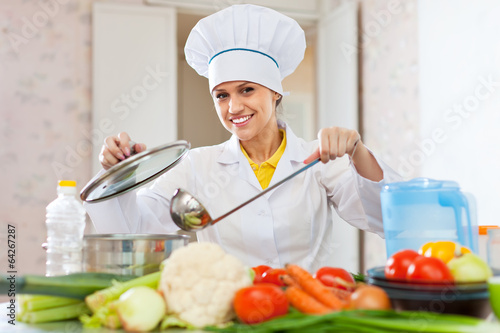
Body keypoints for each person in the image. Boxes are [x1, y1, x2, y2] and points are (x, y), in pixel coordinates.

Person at [84, 4, 401, 272]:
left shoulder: (318, 161)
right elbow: (132, 231)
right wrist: (120, 175)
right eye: (221, 95)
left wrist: (357, 151)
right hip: (230, 315)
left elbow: (390, 220)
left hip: (305, 311)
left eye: (247, 89)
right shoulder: (196, 166)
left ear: (275, 92)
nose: (234, 107)